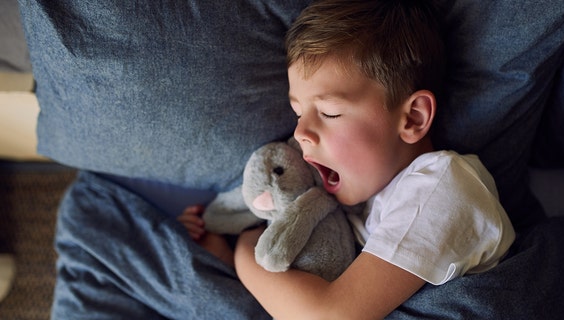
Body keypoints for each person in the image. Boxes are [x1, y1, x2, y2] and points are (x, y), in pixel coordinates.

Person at [179, 0, 515, 318]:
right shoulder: (352, 200)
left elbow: (329, 315)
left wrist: (246, 248)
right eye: (298, 113)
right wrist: (220, 251)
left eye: (329, 112)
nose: (300, 133)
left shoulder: (443, 185)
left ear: (412, 118)